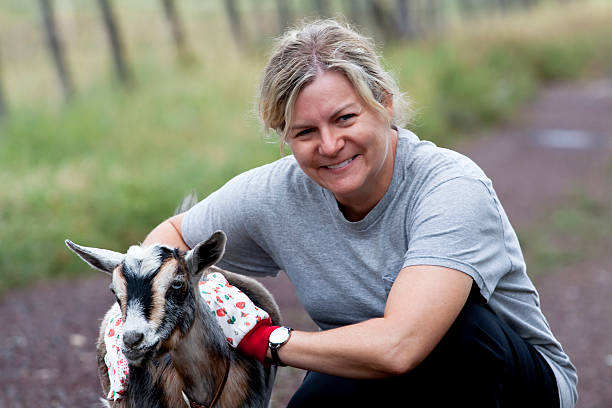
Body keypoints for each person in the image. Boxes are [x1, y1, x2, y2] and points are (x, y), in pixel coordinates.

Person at [108, 20, 577, 407]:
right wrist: (145, 313)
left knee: (459, 333)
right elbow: (167, 241)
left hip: (511, 384)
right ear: (284, 136)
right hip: (377, 373)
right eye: (306, 131)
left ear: (385, 104)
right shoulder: (276, 193)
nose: (330, 145)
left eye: (345, 118)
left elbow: (400, 346)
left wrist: (265, 340)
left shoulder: (451, 187)